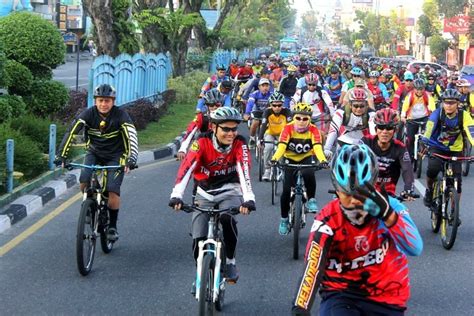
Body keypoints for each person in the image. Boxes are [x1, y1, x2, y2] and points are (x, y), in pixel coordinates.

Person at [291, 144, 423, 316]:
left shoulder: (391, 206)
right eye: (346, 194)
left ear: (373, 185)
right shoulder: (328, 219)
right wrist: (300, 308)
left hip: (387, 296)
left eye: (360, 193)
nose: (354, 201)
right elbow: (312, 265)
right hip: (341, 294)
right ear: (336, 190)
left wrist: (388, 216)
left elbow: (415, 247)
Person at [169, 107, 256, 283]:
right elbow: (187, 168)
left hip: (229, 190)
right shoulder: (201, 143)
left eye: (234, 129)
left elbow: (244, 169)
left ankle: (230, 261)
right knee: (198, 237)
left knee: (226, 218)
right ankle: (200, 272)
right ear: (214, 128)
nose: (230, 133)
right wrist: (177, 194)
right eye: (226, 129)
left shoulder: (240, 143)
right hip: (205, 192)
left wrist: (248, 198)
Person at [56, 84, 138, 241]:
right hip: (94, 153)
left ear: (113, 101)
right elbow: (71, 132)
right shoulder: (88, 114)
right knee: (83, 181)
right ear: (95, 101)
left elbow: (131, 136)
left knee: (112, 189)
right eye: (100, 100)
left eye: (107, 101)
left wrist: (131, 158)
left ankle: (112, 226)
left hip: (116, 156)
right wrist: (61, 155)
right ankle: (90, 206)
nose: (103, 104)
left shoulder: (121, 115)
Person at [270, 103, 329, 235]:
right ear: (294, 118)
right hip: (289, 159)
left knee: (309, 173)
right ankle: (284, 219)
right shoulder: (287, 129)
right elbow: (281, 147)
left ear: (309, 120)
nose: (301, 122)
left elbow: (318, 148)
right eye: (298, 118)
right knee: (286, 190)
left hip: (306, 158)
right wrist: (274, 159)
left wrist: (323, 160)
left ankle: (311, 199)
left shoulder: (314, 130)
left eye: (305, 119)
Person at [422, 89, 474, 207]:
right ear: (442, 103)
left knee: (457, 181)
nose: (449, 105)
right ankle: (429, 190)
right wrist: (424, 141)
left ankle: (454, 211)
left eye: (452, 103)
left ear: (458, 103)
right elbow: (429, 128)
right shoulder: (437, 113)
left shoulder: (464, 116)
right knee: (433, 170)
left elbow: (472, 132)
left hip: (455, 150)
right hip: (437, 147)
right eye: (446, 102)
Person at [362, 108, 416, 198]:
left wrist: (408, 189)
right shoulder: (366, 142)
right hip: (364, 190)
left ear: (395, 130)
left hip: (388, 194)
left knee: (403, 212)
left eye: (389, 128)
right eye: (381, 127)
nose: (384, 132)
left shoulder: (400, 148)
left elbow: (407, 169)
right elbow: (352, 164)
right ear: (376, 129)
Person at [324, 88, 375, 160]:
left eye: (362, 106)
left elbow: (373, 133)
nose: (358, 109)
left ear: (366, 105)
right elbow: (333, 131)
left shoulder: (372, 114)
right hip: (344, 140)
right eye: (356, 106)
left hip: (363, 141)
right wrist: (327, 148)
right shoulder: (340, 112)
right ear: (350, 105)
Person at [177, 89, 223, 160]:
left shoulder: (227, 117)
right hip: (205, 147)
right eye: (211, 105)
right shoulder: (201, 116)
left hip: (222, 149)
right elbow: (190, 131)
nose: (214, 107)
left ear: (221, 105)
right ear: (207, 106)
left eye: (217, 105)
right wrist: (182, 149)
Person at [258, 92, 292, 181]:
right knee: (268, 147)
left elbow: (290, 126)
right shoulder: (267, 112)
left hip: (282, 134)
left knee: (281, 148)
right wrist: (260, 139)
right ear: (270, 105)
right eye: (274, 105)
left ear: (283, 105)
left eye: (279, 105)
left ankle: (281, 168)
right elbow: (264, 125)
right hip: (270, 133)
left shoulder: (287, 112)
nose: (277, 107)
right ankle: (267, 169)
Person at [400, 78, 436, 160]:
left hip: (424, 118)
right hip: (412, 119)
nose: (419, 91)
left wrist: (434, 117)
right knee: (410, 139)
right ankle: (409, 157)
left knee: (426, 137)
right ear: (414, 88)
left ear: (424, 88)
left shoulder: (428, 95)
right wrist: (402, 116)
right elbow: (405, 106)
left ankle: (423, 150)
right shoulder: (410, 95)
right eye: (417, 89)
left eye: (421, 89)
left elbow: (432, 107)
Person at [244, 78, 273, 148]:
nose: (265, 88)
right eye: (263, 86)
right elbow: (250, 103)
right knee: (255, 122)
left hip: (266, 112)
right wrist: (247, 113)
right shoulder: (255, 94)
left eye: (267, 86)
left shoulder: (272, 94)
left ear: (269, 87)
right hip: (256, 111)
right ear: (259, 87)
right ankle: (252, 139)